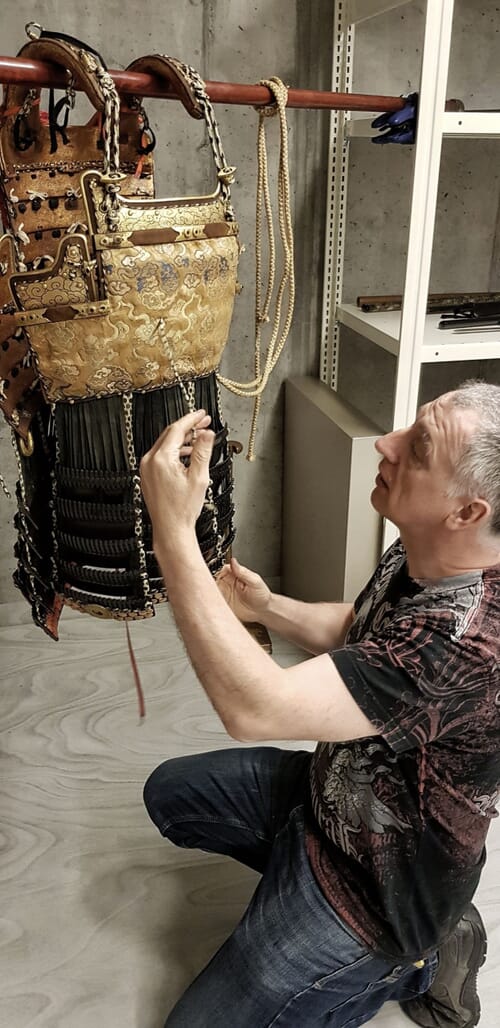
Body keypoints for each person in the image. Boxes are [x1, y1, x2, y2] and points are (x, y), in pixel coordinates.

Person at [139, 381, 500, 1028]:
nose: (385, 445)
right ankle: (296, 872)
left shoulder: (468, 641)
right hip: (327, 799)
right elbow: (363, 634)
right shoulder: (432, 547)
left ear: (466, 512)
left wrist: (173, 532)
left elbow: (256, 709)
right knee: (171, 794)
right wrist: (264, 607)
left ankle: (417, 958)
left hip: (383, 893)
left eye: (416, 450)